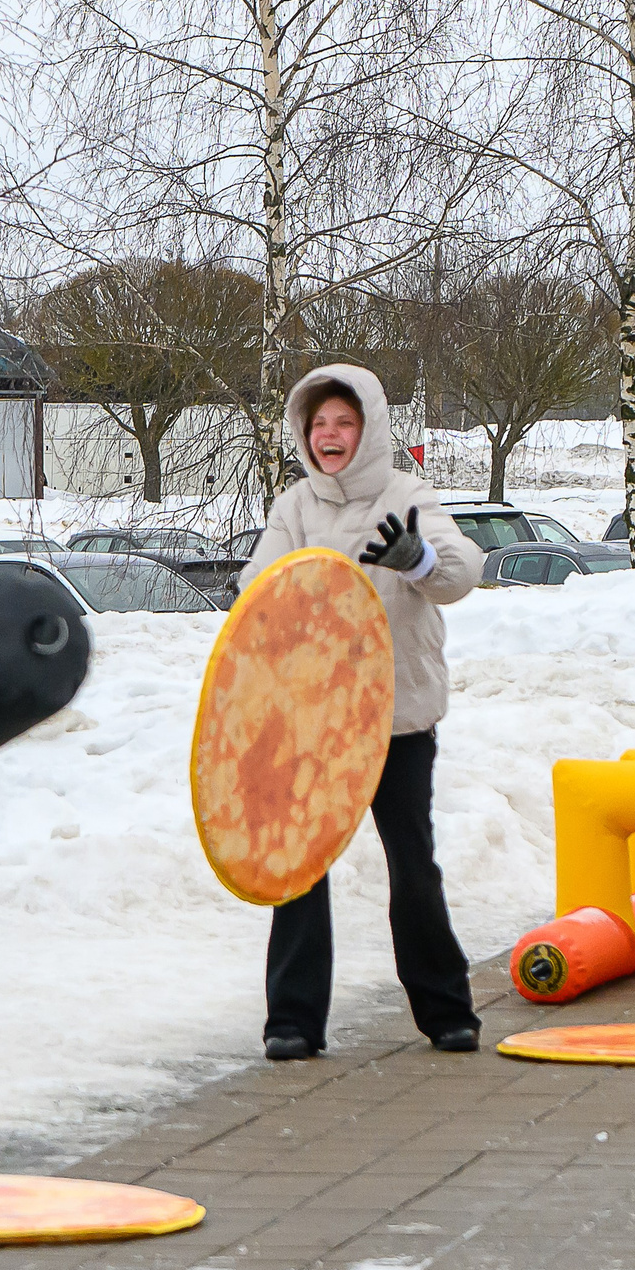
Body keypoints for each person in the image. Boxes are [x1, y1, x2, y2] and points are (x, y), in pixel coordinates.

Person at [239, 364, 485, 1061]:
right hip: (312, 719)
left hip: (396, 716)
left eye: (343, 423)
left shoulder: (407, 495)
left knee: (412, 865)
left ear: (369, 428)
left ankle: (447, 1013)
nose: (329, 436)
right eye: (318, 424)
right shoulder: (295, 508)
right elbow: (257, 592)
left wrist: (419, 558)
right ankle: (292, 1021)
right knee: (301, 865)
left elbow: (462, 573)